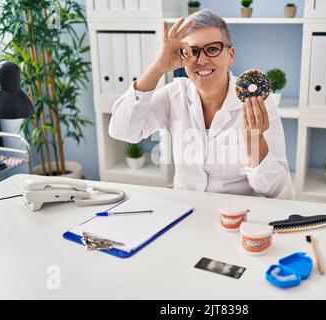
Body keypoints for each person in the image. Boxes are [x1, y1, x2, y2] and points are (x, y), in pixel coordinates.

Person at [109, 9, 290, 198]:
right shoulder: (174, 95)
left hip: (236, 215)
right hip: (184, 211)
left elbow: (274, 190)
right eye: (192, 51)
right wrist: (158, 67)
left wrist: (255, 141)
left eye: (212, 49)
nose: (201, 60)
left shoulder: (258, 103)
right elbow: (122, 130)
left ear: (231, 55)